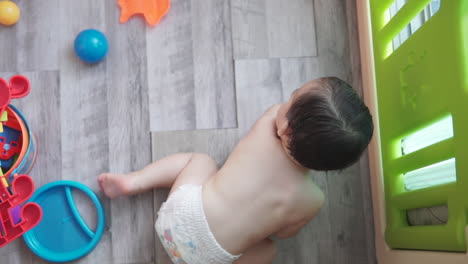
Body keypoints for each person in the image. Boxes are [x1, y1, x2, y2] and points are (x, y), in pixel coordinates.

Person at [98, 77, 374, 264]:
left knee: (201, 160)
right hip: (207, 258)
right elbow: (283, 234)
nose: (284, 102)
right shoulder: (312, 200)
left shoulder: (268, 125)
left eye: (291, 98)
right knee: (269, 250)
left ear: (285, 127)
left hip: (178, 218)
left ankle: (134, 181)